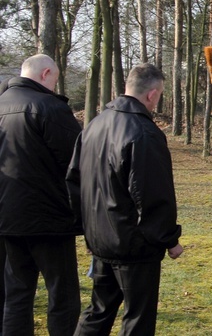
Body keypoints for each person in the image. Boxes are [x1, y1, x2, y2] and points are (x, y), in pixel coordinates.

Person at [67, 63, 183, 335]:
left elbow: (74, 181)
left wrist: (86, 228)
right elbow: (153, 195)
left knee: (98, 311)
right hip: (134, 245)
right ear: (152, 94)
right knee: (137, 318)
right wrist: (169, 239)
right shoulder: (143, 132)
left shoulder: (94, 125)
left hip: (102, 238)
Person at [0, 54, 82, 336]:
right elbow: (77, 162)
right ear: (46, 73)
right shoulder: (49, 107)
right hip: (49, 218)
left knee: (17, 294)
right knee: (63, 295)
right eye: (55, 80)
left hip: (7, 217)